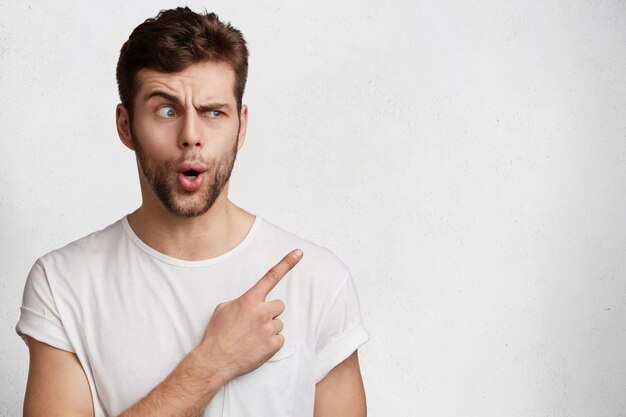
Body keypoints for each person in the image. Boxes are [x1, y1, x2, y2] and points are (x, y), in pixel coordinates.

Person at [15, 6, 369, 417]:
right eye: (166, 110)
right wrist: (212, 363)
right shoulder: (63, 285)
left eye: (213, 112)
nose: (191, 136)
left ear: (242, 126)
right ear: (126, 125)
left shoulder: (319, 280)